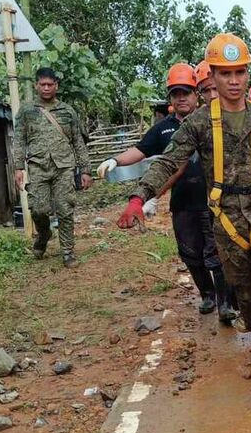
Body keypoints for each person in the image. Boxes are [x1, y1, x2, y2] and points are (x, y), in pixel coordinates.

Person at [117, 33, 251, 401]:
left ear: (248, 74)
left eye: (239, 72)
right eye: (225, 74)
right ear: (212, 78)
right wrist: (140, 196)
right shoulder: (198, 124)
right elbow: (169, 161)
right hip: (226, 223)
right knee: (247, 303)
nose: (233, 81)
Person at [97, 62, 238, 324]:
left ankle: (225, 303)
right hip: (183, 203)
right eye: (176, 93)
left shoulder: (212, 121)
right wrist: (115, 160)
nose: (181, 97)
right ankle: (207, 294)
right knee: (190, 253)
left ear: (196, 93)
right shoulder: (163, 129)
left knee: (216, 253)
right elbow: (141, 152)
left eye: (186, 92)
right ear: (171, 98)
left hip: (213, 202)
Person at [12, 67, 91, 268]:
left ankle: (67, 251)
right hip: (38, 167)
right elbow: (19, 140)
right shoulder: (26, 111)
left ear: (56, 85)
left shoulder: (67, 111)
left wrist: (86, 170)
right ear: (36, 85)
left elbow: (78, 142)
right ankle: (44, 233)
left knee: (65, 209)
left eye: (50, 84)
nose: (46, 88)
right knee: (38, 209)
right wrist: (18, 167)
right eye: (42, 85)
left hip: (64, 167)